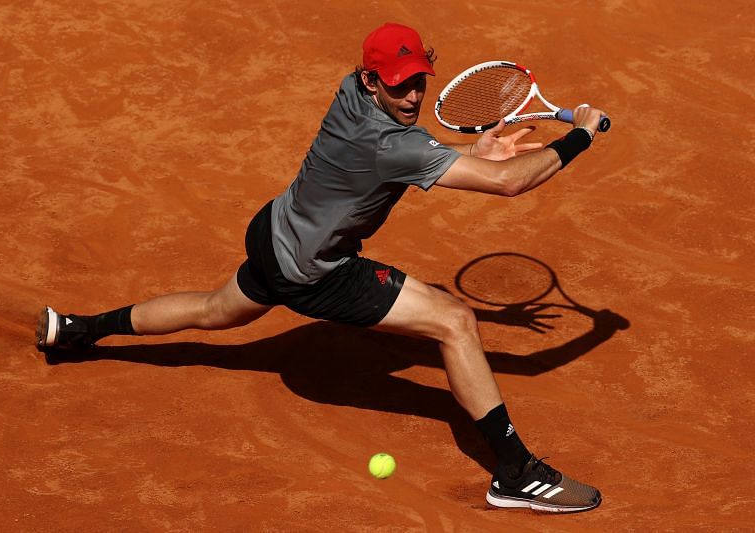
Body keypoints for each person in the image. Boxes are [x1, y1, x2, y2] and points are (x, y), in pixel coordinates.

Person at [37, 22, 606, 513]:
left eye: (417, 82)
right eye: (398, 84)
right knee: (454, 322)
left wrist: (464, 157)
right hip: (316, 271)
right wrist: (579, 133)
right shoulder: (393, 144)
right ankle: (517, 475)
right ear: (371, 80)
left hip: (273, 231)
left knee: (215, 310)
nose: (411, 95)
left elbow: (404, 147)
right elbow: (509, 182)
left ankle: (81, 329)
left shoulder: (350, 93)